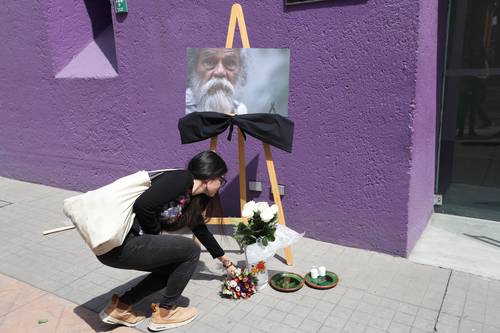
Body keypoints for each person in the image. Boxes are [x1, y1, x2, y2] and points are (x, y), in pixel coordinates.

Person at [96, 151, 237, 331]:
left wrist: (226, 262)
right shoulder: (182, 178)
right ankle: (165, 314)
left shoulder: (190, 200)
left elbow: (201, 231)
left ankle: (121, 307)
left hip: (117, 250)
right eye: (222, 180)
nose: (221, 185)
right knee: (191, 250)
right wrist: (155, 240)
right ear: (210, 177)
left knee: (174, 266)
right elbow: (143, 206)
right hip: (119, 242)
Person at [186, 48, 248, 115]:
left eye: (230, 63)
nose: (220, 72)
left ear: (240, 70)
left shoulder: (240, 110)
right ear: (194, 68)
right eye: (209, 62)